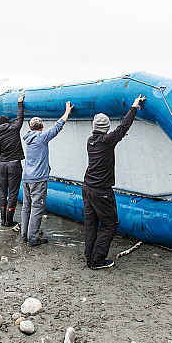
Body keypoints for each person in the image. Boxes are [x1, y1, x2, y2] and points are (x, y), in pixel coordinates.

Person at [82, 94, 146, 270]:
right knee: (110, 224)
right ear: (107, 128)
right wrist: (134, 106)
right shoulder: (106, 140)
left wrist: (118, 136)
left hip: (87, 188)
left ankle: (89, 257)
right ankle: (97, 261)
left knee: (91, 223)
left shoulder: (91, 141)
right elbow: (124, 125)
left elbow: (113, 137)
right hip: (101, 191)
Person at [20, 101, 73, 246]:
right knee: (37, 208)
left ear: (30, 127)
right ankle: (33, 239)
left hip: (26, 178)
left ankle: (24, 235)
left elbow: (49, 129)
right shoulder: (42, 137)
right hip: (38, 179)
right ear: (41, 127)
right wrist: (67, 112)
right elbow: (57, 126)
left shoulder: (28, 137)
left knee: (26, 207)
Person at [0, 93, 26, 227]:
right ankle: (9, 220)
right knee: (12, 193)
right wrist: (20, 102)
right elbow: (20, 116)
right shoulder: (14, 128)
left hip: (2, 165)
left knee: (2, 192)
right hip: (14, 164)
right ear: (7, 123)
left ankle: (2, 220)